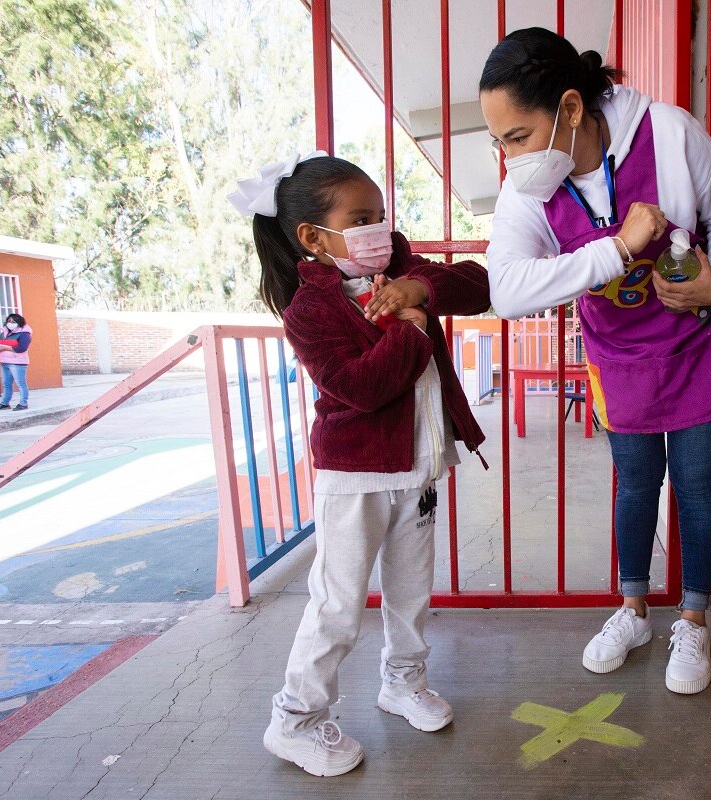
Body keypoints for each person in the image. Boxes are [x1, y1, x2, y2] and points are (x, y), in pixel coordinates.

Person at [479, 28, 711, 695]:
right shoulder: (529, 189)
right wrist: (620, 248)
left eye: (517, 136)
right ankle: (632, 611)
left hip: (699, 343)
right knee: (634, 484)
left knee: (696, 484)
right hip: (620, 357)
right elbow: (506, 291)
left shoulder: (670, 134)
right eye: (498, 142)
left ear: (570, 109)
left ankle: (691, 619)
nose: (509, 158)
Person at [228, 152, 491, 776]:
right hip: (357, 478)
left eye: (381, 214)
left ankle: (403, 683)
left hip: (418, 468)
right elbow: (364, 387)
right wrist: (416, 325)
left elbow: (477, 285)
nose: (379, 229)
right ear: (314, 238)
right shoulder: (310, 311)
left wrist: (419, 290)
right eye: (362, 218)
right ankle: (295, 719)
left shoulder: (400, 268)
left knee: (410, 593)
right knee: (338, 605)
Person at [0, 312, 32, 412]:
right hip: (4, 362)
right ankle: (5, 403)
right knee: (6, 384)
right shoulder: (4, 333)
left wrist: (5, 348)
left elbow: (22, 348)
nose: (10, 323)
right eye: (9, 321)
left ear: (19, 323)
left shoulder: (24, 334)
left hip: (17, 363)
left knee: (21, 384)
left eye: (13, 321)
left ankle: (23, 403)